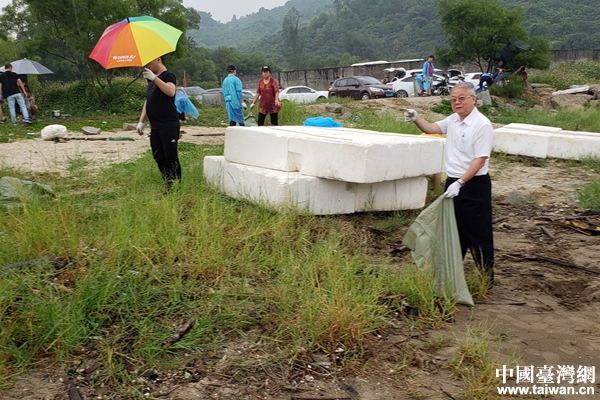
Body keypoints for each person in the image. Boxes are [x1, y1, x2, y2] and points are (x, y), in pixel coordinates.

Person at [403, 82, 495, 284]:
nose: (457, 102)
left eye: (462, 98)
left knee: (478, 231)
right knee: (454, 229)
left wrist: (461, 183)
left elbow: (480, 160)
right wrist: (416, 118)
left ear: (473, 99)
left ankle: (485, 278)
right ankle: (451, 273)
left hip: (473, 184)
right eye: (453, 99)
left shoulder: (481, 124)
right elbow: (432, 128)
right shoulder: (454, 120)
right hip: (454, 182)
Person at [136, 57, 181, 190]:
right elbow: (148, 100)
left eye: (149, 62)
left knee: (170, 156)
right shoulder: (151, 79)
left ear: (158, 59)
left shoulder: (168, 76)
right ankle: (168, 182)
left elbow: (171, 91)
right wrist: (141, 121)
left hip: (168, 124)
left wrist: (155, 79)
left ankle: (177, 184)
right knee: (158, 155)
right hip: (155, 125)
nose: (147, 66)